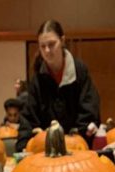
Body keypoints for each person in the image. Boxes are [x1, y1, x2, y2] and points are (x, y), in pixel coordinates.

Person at [16, 19, 100, 152]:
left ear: (62, 41)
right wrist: (23, 147)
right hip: (47, 152)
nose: (47, 50)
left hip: (76, 147)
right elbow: (28, 118)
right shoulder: (37, 79)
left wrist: (77, 134)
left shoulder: (80, 71)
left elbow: (89, 110)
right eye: (42, 46)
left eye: (51, 44)